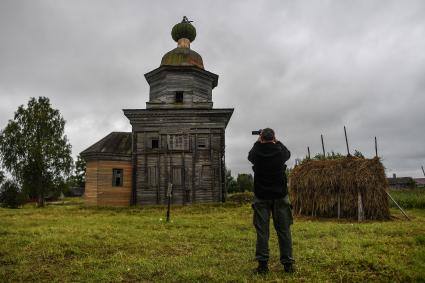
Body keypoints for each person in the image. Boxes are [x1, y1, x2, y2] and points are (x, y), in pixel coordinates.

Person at [248, 128, 294, 274]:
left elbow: (250, 155)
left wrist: (258, 142)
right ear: (273, 137)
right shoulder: (280, 152)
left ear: (261, 138)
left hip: (261, 197)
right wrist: (276, 140)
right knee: (284, 231)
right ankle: (288, 265)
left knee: (262, 232)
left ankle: (262, 266)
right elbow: (288, 152)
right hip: (280, 196)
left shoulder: (256, 153)